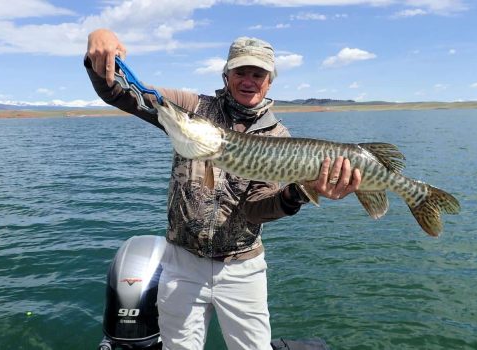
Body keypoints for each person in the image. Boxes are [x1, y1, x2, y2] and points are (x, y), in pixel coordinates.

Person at [85, 29, 361, 350]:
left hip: (242, 269)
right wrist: (98, 51)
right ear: (226, 75)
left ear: (269, 81)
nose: (249, 80)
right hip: (183, 264)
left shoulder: (277, 135)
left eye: (258, 74)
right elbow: (123, 93)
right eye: (240, 71)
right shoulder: (193, 108)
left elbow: (256, 208)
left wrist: (299, 192)